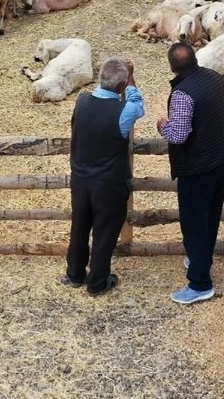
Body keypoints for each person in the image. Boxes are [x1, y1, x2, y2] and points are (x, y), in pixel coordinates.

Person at [157, 42, 224, 305]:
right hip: (221, 156)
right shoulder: (213, 77)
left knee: (193, 222)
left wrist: (162, 125)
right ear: (195, 59)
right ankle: (199, 256)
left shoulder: (182, 93)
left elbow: (178, 135)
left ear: (172, 66)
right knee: (210, 214)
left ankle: (200, 283)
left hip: (198, 166)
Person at [62, 56, 145, 296]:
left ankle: (75, 273)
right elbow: (138, 103)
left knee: (79, 227)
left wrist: (125, 77)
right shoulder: (124, 111)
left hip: (80, 178)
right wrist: (131, 77)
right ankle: (97, 281)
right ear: (121, 86)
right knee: (105, 232)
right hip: (109, 182)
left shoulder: (82, 101)